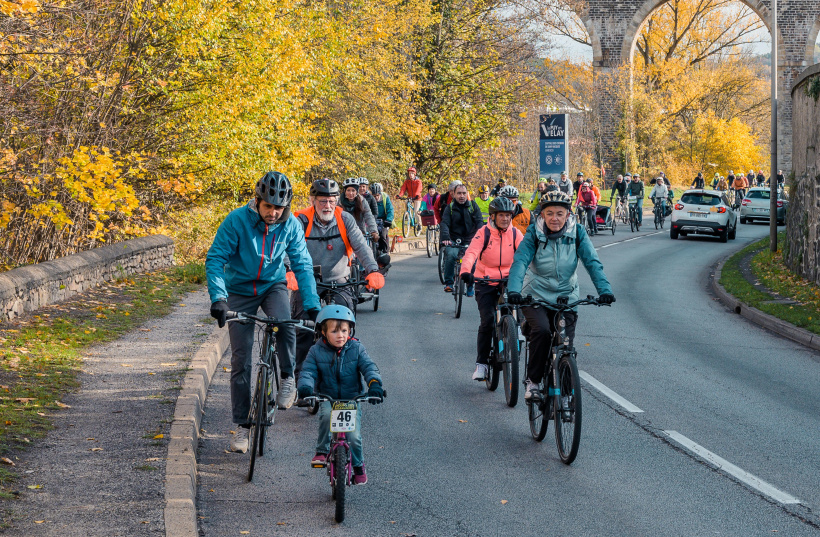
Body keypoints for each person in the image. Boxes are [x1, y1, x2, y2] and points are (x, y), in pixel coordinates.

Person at [206, 171, 321, 453]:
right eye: (268, 206)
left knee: (284, 322)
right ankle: (243, 427)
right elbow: (216, 258)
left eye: (278, 208)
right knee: (241, 360)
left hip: (273, 285)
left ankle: (288, 378)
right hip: (239, 289)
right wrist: (219, 299)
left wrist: (312, 305)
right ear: (257, 201)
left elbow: (302, 264)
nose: (272, 213)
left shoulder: (290, 224)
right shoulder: (237, 220)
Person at [506, 190, 614, 401]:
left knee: (565, 346)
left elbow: (592, 262)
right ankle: (533, 381)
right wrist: (514, 291)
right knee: (544, 332)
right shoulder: (533, 233)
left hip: (567, 296)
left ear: (568, 215)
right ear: (542, 215)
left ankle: (565, 395)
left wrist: (605, 291)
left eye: (559, 213)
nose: (554, 218)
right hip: (535, 295)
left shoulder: (578, 232)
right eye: (550, 213)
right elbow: (520, 262)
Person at [291, 179, 385, 379]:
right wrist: (288, 270)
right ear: (313, 200)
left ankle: (346, 371)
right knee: (304, 328)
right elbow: (288, 246)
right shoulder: (301, 219)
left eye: (332, 201)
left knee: (345, 324)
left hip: (339, 279)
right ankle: (301, 378)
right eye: (323, 201)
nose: (328, 206)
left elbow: (360, 246)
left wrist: (372, 270)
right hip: (308, 281)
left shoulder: (345, 218)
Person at [296, 305, 384, 485]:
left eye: (344, 330)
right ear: (323, 332)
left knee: (354, 436)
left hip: (352, 398)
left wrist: (374, 385)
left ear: (350, 330)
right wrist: (306, 387)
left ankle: (358, 465)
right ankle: (321, 451)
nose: (340, 335)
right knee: (326, 416)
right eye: (334, 331)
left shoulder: (357, 348)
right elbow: (308, 372)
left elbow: (369, 367)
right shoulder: (316, 350)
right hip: (328, 397)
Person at [459, 197, 524, 381]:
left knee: (521, 303)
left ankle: (516, 330)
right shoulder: (484, 233)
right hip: (485, 280)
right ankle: (481, 365)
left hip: (508, 279)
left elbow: (527, 253)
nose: (505, 219)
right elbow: (471, 253)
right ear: (493, 216)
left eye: (508, 215)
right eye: (501, 215)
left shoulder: (515, 233)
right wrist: (465, 271)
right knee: (487, 320)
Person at [440, 183, 483, 294]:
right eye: (459, 193)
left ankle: (470, 284)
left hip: (470, 239)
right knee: (451, 255)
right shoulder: (449, 208)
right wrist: (445, 237)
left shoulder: (473, 206)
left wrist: (480, 237)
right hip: (453, 238)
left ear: (467, 194)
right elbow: (444, 223)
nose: (462, 196)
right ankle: (449, 283)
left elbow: (479, 222)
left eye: (464, 193)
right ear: (454, 195)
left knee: (472, 261)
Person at [341, 177, 379, 242]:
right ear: (345, 191)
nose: (351, 193)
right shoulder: (339, 202)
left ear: (357, 191)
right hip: (343, 233)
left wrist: (374, 231)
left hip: (360, 233)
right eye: (348, 190)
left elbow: (369, 216)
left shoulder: (362, 201)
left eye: (353, 190)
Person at [371, 182, 394, 258]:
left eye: (377, 195)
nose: (376, 198)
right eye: (374, 196)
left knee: (383, 235)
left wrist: (388, 220)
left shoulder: (385, 197)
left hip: (384, 220)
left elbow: (390, 209)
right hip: (373, 220)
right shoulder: (369, 200)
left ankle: (386, 251)